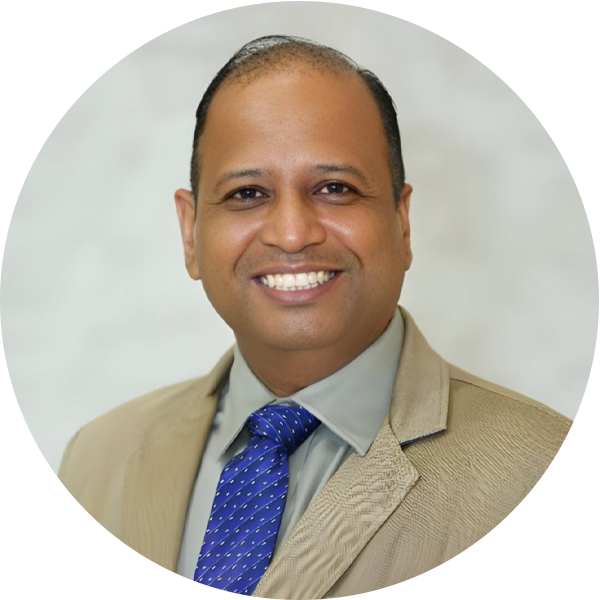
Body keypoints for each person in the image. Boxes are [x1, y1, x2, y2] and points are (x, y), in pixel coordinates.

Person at [56, 35, 577, 599]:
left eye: (335, 188)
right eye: (247, 193)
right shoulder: (96, 460)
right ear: (191, 232)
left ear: (402, 222)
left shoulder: (536, 469)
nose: (291, 234)